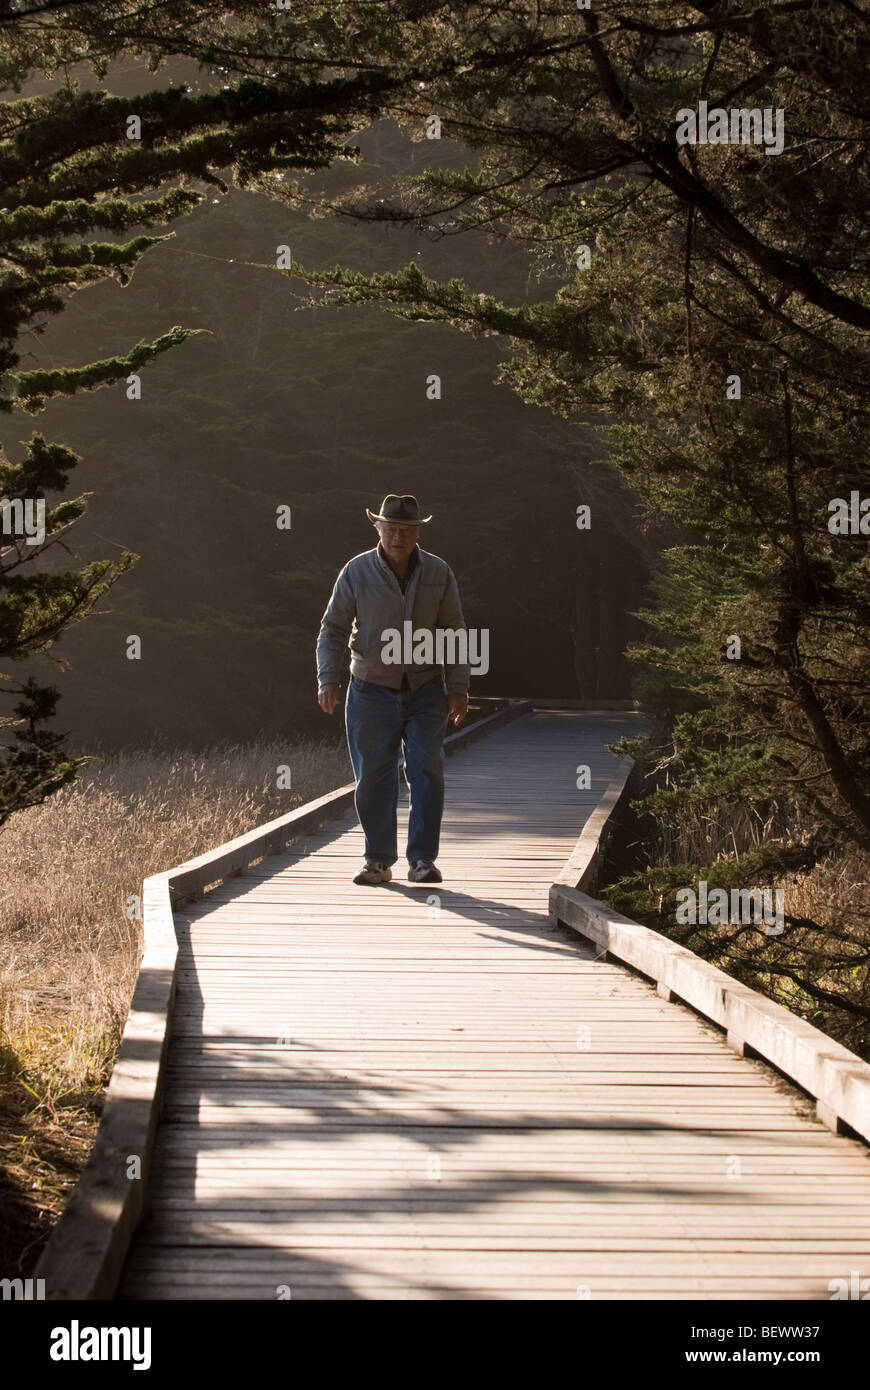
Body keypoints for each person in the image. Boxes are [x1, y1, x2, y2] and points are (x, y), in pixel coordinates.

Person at [316, 494, 469, 885]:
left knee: (426, 772)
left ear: (417, 533)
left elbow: (454, 632)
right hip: (369, 688)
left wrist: (459, 687)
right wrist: (327, 678)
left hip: (426, 689)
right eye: (391, 529)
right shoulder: (357, 571)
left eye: (406, 530)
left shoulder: (438, 572)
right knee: (373, 777)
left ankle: (422, 860)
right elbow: (332, 629)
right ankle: (379, 861)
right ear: (378, 529)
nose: (398, 537)